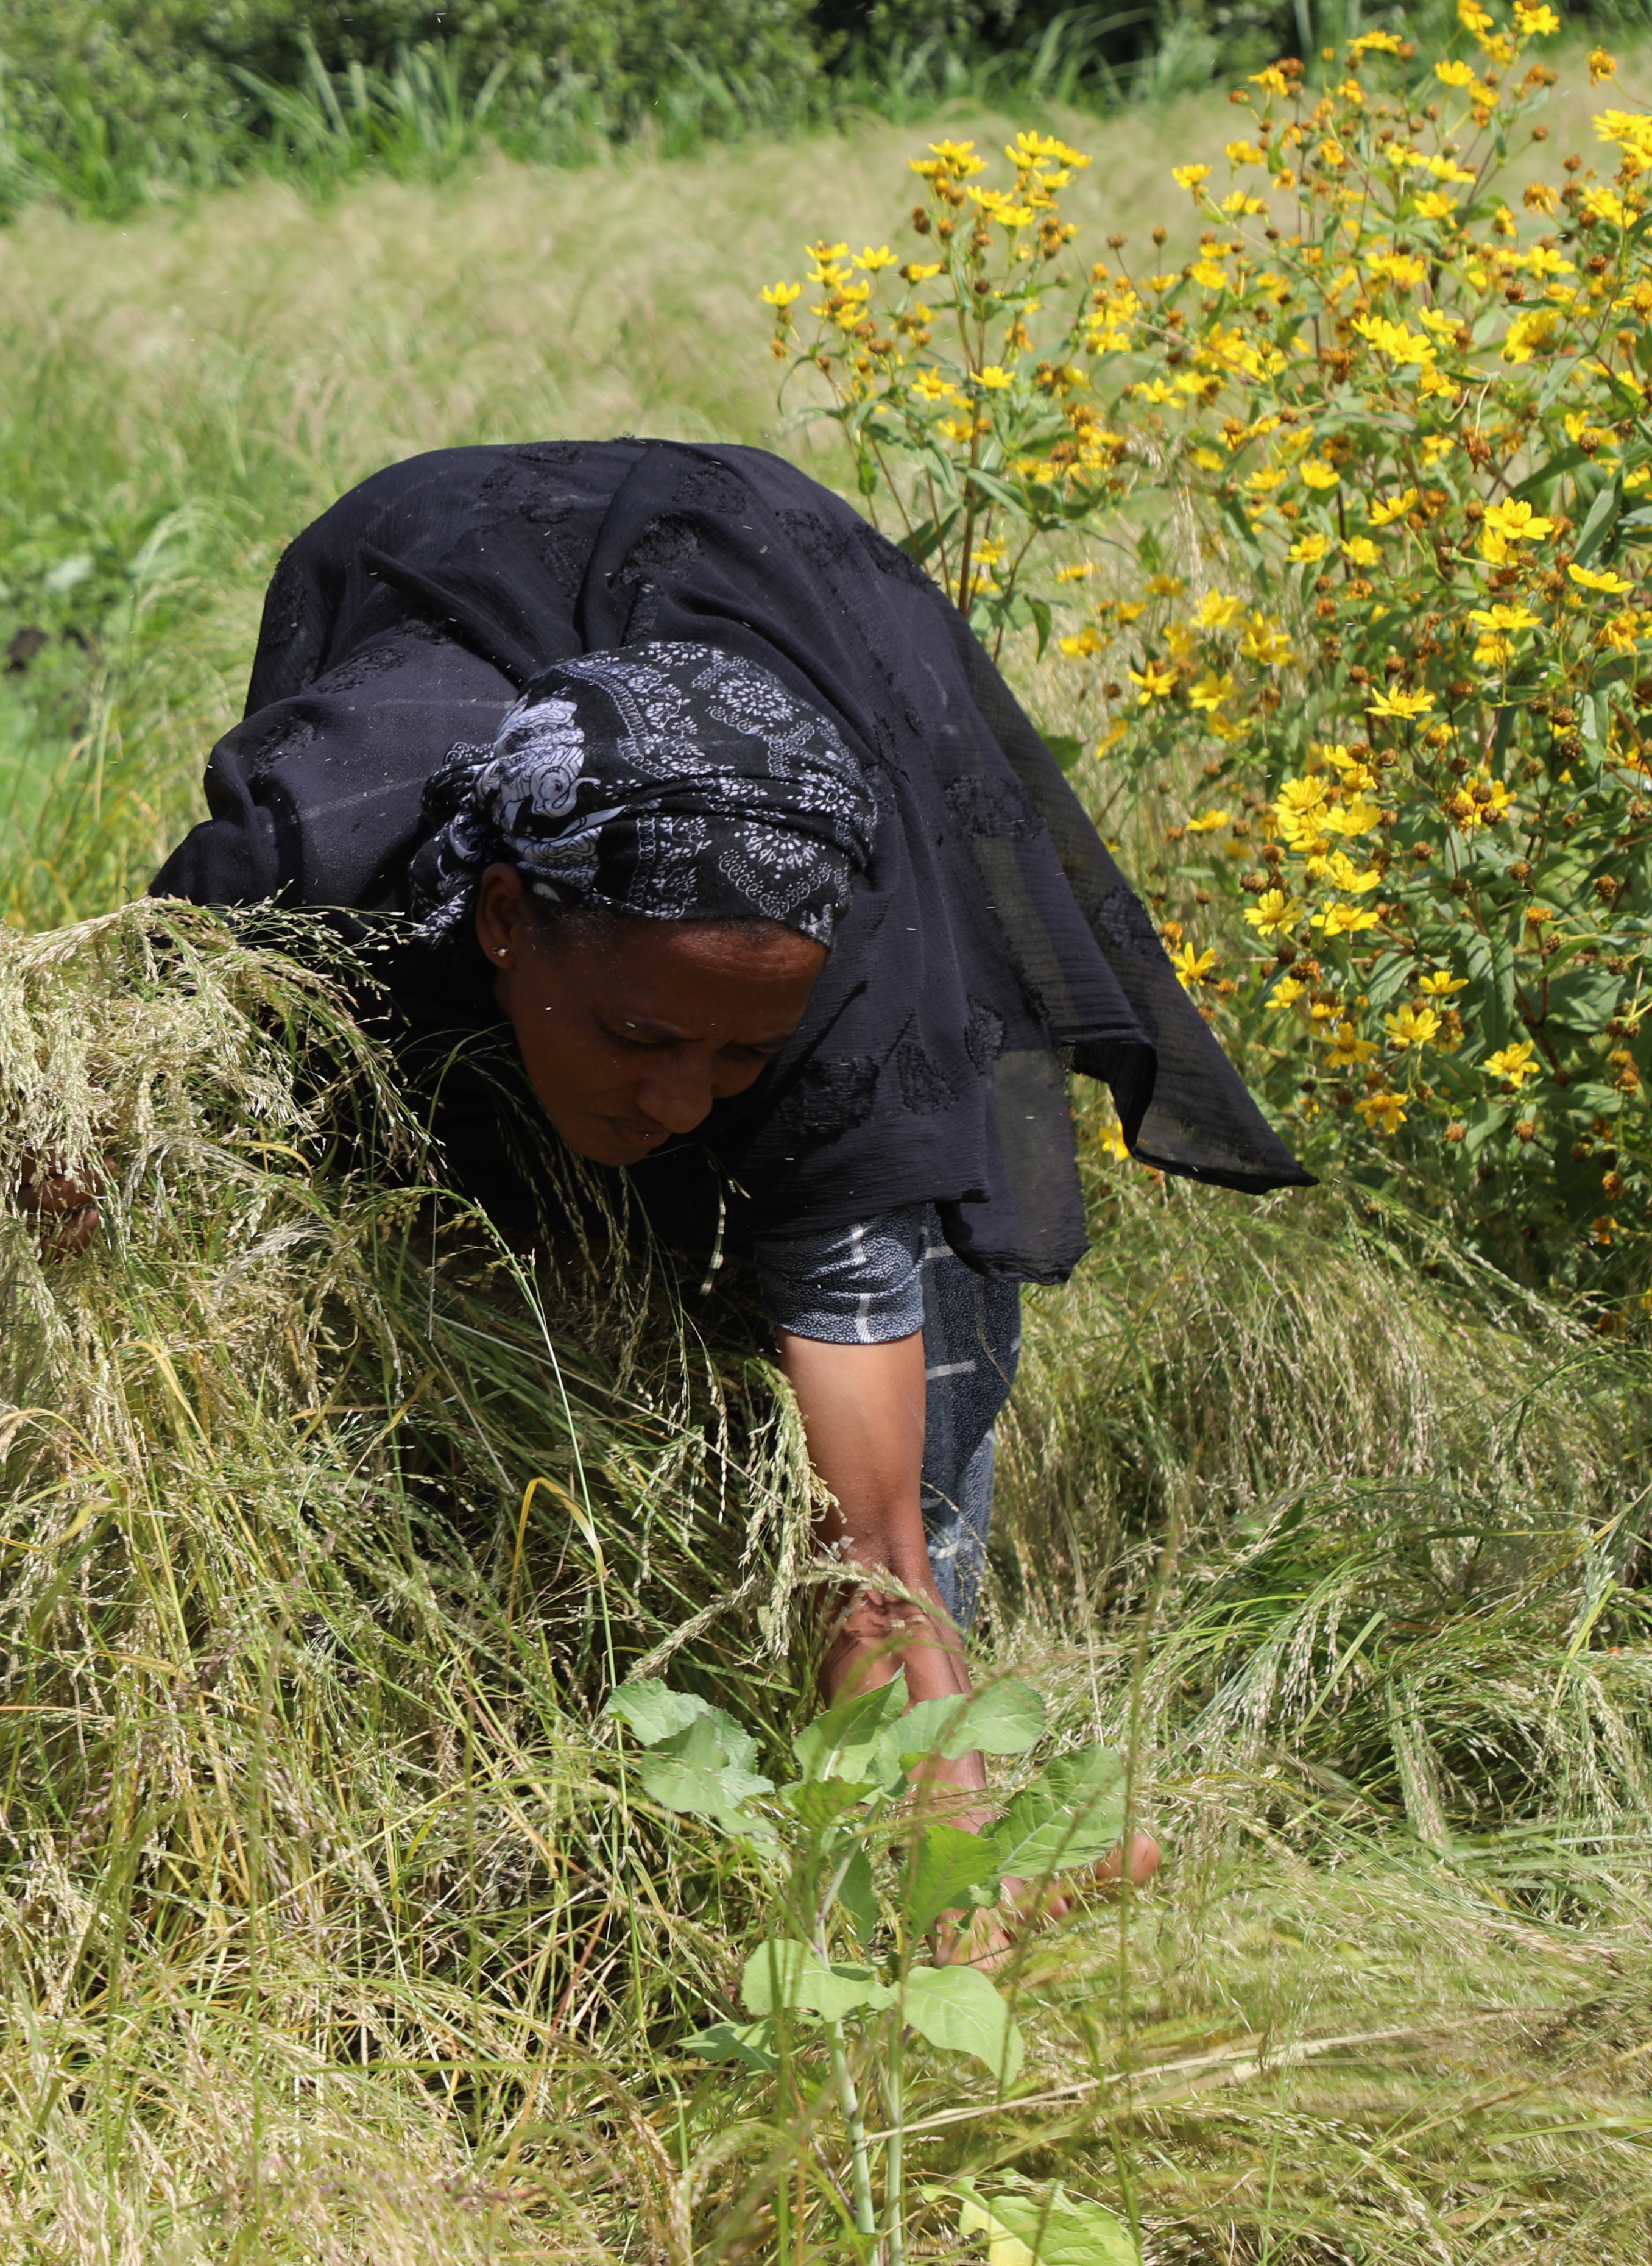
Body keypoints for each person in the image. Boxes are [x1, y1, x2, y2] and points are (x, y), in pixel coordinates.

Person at [155, 436, 1305, 1735]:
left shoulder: (860, 993)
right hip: (432, 539)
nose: (684, 1101)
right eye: (641, 1036)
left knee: (900, 1361)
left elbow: (879, 1560)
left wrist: (935, 1832)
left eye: (739, 1055)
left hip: (790, 579)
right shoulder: (304, 861)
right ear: (499, 918)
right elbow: (115, 1065)